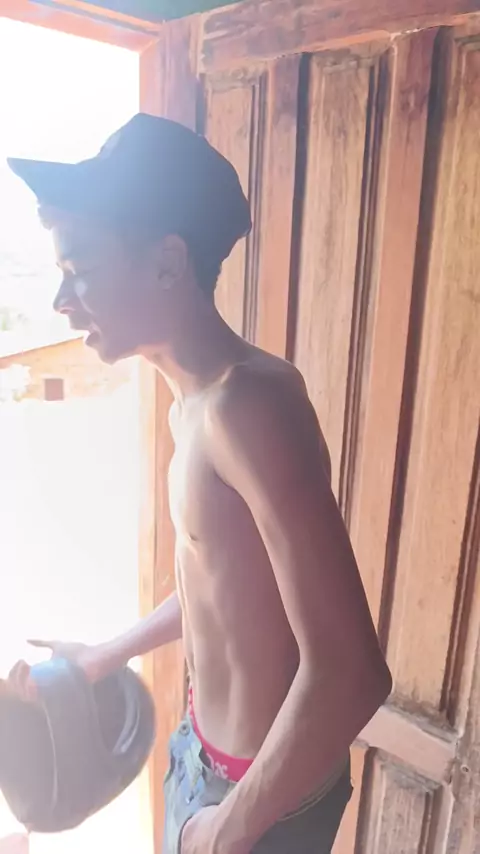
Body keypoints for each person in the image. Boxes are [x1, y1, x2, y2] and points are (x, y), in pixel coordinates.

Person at [6, 114, 392, 854]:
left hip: (261, 802)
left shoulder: (248, 407)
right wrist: (109, 652)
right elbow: (225, 581)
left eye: (79, 269)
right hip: (202, 756)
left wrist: (224, 831)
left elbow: (352, 673)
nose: (61, 300)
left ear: (167, 262)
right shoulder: (192, 406)